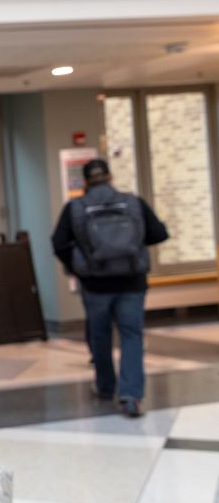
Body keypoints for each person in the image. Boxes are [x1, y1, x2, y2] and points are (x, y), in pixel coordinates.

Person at [52, 158, 169, 418]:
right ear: (110, 177)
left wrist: (78, 264)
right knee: (132, 335)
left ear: (84, 181)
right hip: (132, 281)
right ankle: (131, 396)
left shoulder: (76, 208)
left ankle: (105, 386)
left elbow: (58, 243)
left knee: (100, 334)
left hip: (94, 284)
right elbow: (159, 234)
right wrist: (133, 243)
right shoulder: (132, 202)